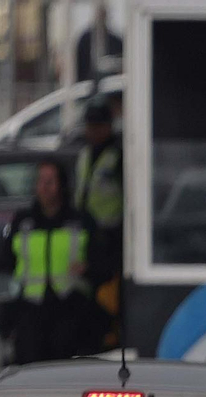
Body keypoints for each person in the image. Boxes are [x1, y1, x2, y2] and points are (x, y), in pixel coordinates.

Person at [0, 159, 110, 363]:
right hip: (30, 311)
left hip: (70, 310)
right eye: (40, 181)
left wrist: (88, 269)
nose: (44, 187)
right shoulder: (23, 221)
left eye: (50, 181)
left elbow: (103, 263)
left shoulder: (80, 221)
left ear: (62, 186)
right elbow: (4, 263)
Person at [74, 99, 122, 345]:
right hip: (85, 234)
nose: (92, 131)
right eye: (89, 125)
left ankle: (109, 337)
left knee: (108, 295)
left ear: (108, 127)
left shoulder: (117, 155)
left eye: (97, 126)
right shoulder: (84, 154)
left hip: (109, 237)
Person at [76, 4, 124, 82]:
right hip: (88, 84)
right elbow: (79, 64)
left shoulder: (116, 41)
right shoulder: (85, 40)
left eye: (103, 15)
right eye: (99, 15)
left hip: (111, 86)